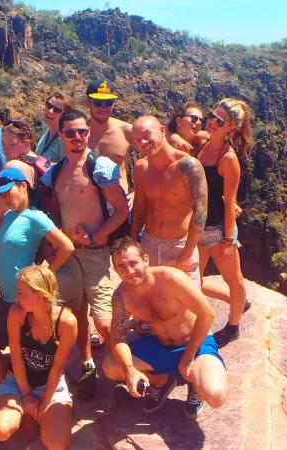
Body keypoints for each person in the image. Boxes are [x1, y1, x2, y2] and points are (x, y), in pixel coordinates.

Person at [41, 108, 129, 399]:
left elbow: (121, 210)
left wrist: (97, 236)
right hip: (69, 256)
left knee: (104, 321)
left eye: (82, 131)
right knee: (76, 314)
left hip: (95, 254)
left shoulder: (99, 167)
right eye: (70, 132)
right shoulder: (55, 172)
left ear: (89, 133)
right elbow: (55, 213)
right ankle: (88, 364)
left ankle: (131, 368)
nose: (77, 137)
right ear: (61, 135)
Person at [102, 237, 228, 418]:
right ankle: (161, 381)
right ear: (115, 270)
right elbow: (118, 337)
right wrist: (129, 369)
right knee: (111, 366)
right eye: (122, 267)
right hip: (159, 345)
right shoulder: (121, 297)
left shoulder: (171, 279)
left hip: (194, 343)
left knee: (216, 396)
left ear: (145, 259)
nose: (129, 271)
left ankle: (196, 385)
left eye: (133, 263)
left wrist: (189, 355)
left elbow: (207, 314)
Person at [0, 167, 74, 385]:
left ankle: (25, 391)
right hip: (7, 297)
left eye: (8, 192)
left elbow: (66, 246)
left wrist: (45, 275)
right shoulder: (8, 216)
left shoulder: (35, 217)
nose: (5, 198)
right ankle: (7, 387)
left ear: (23, 186)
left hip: (25, 300)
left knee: (21, 350)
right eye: (1, 195)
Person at [0, 266, 77, 449]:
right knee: (0, 430)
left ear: (39, 294)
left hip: (50, 384)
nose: (16, 297)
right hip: (18, 382)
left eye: (21, 292)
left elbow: (58, 366)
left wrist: (46, 400)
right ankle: (28, 413)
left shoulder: (66, 322)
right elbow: (16, 356)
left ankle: (40, 417)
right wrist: (27, 395)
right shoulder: (17, 314)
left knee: (56, 444)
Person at [195, 99, 254, 347]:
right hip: (198, 227)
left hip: (219, 229)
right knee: (193, 280)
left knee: (234, 279)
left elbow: (230, 203)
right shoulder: (203, 141)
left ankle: (233, 326)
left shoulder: (228, 159)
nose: (212, 122)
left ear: (231, 128)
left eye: (220, 121)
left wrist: (229, 239)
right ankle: (196, 321)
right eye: (211, 116)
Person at [129, 115, 208, 286]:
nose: (142, 142)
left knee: (186, 309)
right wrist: (133, 243)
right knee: (151, 305)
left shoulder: (188, 166)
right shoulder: (141, 168)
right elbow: (139, 208)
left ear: (162, 131)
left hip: (179, 247)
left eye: (146, 135)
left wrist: (187, 252)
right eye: (137, 140)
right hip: (148, 244)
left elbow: (200, 210)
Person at [85, 80, 133, 196]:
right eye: (98, 102)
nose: (103, 107)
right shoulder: (77, 133)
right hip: (88, 205)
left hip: (121, 204)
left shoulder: (126, 130)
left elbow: (156, 155)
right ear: (88, 103)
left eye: (108, 102)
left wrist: (139, 192)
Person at [35, 93, 69, 163]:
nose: (50, 111)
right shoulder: (46, 129)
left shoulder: (64, 140)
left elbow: (64, 168)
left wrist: (39, 163)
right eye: (49, 106)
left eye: (57, 110)